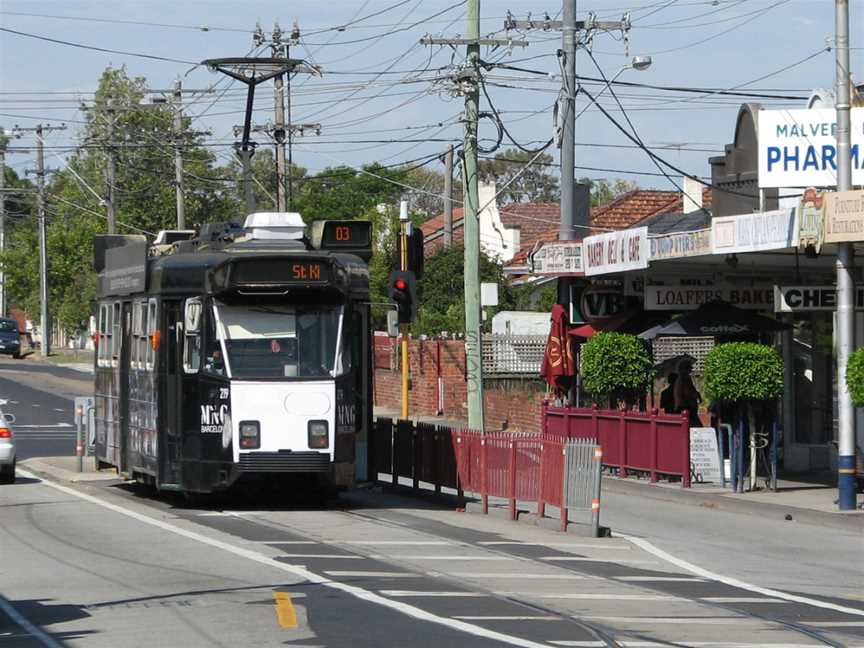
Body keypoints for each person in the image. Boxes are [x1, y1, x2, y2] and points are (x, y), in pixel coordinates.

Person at [674, 359, 702, 427]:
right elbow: (687, 392)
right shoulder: (682, 379)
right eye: (688, 368)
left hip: (689, 408)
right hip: (685, 407)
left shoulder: (687, 379)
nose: (690, 370)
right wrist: (695, 395)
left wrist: (697, 395)